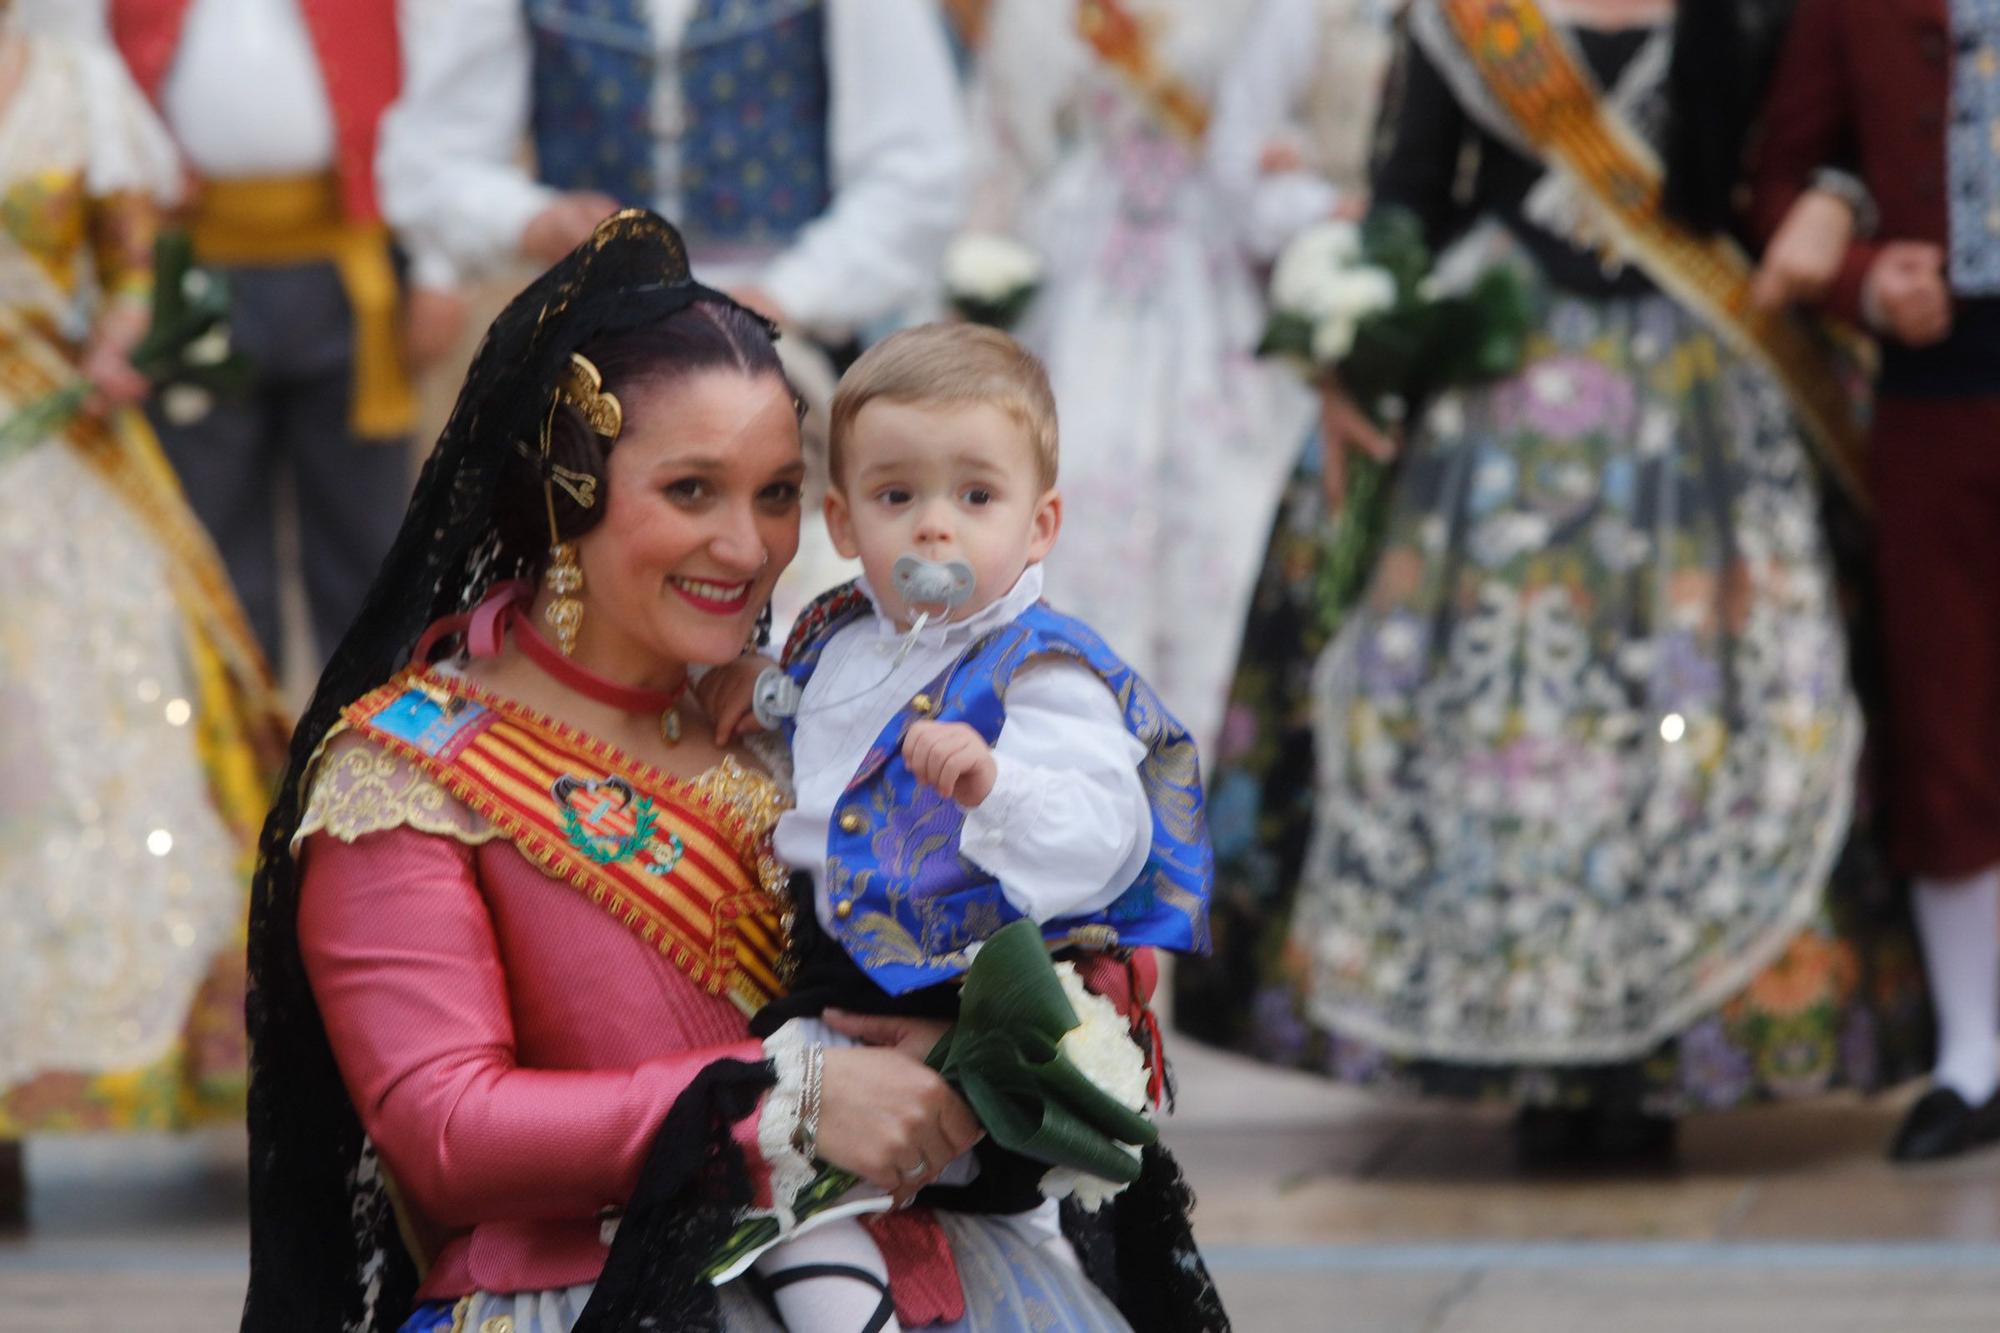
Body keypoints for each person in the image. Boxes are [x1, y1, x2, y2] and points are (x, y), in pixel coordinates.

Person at [243, 209, 1226, 1333]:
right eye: (691, 491)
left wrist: (966, 1061)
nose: (748, 548)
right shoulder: (408, 774)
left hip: (941, 1276)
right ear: (570, 493)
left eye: (772, 494)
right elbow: (445, 1132)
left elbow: (1098, 951)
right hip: (594, 1295)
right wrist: (783, 1106)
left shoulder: (810, 706)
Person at [1175, 0, 1930, 1164]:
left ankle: (1657, 1060)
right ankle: (1525, 1058)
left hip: (1704, 398)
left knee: (1694, 730)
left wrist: (1833, 200)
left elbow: (1803, 155)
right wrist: (1355, 348)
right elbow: (1407, 203)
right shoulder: (1462, 18)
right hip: (1489, 395)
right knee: (1499, 734)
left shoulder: (1753, 10)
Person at [697, 323, 1216, 1332]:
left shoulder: (1039, 669)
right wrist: (759, 690)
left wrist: (997, 789)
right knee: (774, 1152)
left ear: (1039, 524)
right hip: (837, 967)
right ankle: (873, 1299)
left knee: (798, 1148)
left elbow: (1105, 837)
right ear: (842, 523)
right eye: (898, 497)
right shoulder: (842, 632)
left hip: (968, 984)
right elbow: (818, 723)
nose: (934, 528)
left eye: (975, 497)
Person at [374, 0, 970, 636]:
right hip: (597, 356)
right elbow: (428, 164)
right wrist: (536, 220)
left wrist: (783, 294)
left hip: (787, 348)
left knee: (773, 592)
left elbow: (917, 171)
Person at [0, 0, 286, 1221]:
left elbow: (135, 266)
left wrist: (120, 344)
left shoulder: (72, 82)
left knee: (100, 743)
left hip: (58, 450)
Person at [1750, 0, 2000, 1162]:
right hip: (1939, 394)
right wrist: (1860, 280)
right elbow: (1776, 182)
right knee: (1945, 715)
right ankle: (1972, 1050)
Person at [961, 0, 1313, 753]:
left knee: (1224, 510)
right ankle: (1057, 747)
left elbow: (1303, 112)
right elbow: (1009, 136)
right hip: (1075, 259)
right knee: (1062, 486)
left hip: (1217, 268)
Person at [109, 0, 416, 672]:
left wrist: (442, 269)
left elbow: (444, 96)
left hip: (344, 268)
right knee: (213, 542)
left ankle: (368, 754)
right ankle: (245, 759)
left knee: (365, 540)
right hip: (194, 272)